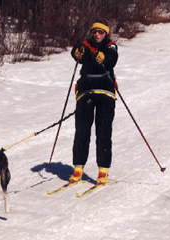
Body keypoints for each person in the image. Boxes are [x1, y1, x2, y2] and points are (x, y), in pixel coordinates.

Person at [69, 19, 118, 185]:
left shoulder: (110, 45)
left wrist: (104, 58)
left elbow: (112, 58)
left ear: (106, 34)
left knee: (103, 131)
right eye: (94, 31)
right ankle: (78, 167)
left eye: (101, 32)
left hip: (105, 91)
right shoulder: (86, 44)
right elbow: (77, 51)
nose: (97, 34)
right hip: (86, 92)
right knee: (82, 130)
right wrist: (77, 52)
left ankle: (103, 169)